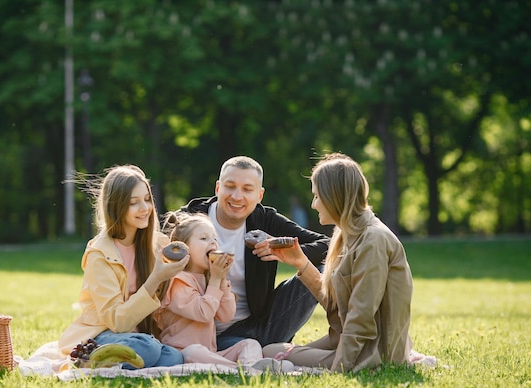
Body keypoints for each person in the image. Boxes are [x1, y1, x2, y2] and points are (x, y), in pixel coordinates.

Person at [261, 152, 418, 373]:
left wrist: (340, 368)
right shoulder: (347, 234)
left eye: (317, 196)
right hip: (347, 340)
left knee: (271, 353)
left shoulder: (373, 240)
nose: (314, 204)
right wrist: (301, 263)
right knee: (271, 350)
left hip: (373, 353)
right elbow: (337, 306)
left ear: (334, 196)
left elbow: (361, 316)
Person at [178, 156, 329, 351]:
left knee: (322, 269)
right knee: (251, 351)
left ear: (259, 195)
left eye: (247, 189)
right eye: (230, 186)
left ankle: (263, 348)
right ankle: (257, 351)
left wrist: (281, 249)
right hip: (198, 332)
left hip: (259, 326)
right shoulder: (190, 219)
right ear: (218, 188)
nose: (237, 196)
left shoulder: (265, 220)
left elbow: (328, 245)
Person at [58, 165, 189, 369]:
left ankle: (110, 363)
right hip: (102, 334)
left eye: (147, 199)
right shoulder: (99, 255)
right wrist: (156, 278)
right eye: (134, 202)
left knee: (173, 357)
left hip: (137, 337)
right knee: (149, 349)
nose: (145, 208)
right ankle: (89, 357)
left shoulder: (158, 245)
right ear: (116, 206)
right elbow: (116, 322)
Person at [155, 212, 269, 368]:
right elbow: (203, 312)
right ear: (183, 246)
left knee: (250, 344)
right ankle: (242, 370)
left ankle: (251, 366)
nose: (213, 243)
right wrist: (216, 279)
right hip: (181, 353)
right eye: (204, 238)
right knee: (194, 352)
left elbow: (226, 315)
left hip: (210, 354)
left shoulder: (210, 280)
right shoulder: (177, 281)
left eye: (215, 238)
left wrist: (221, 280)